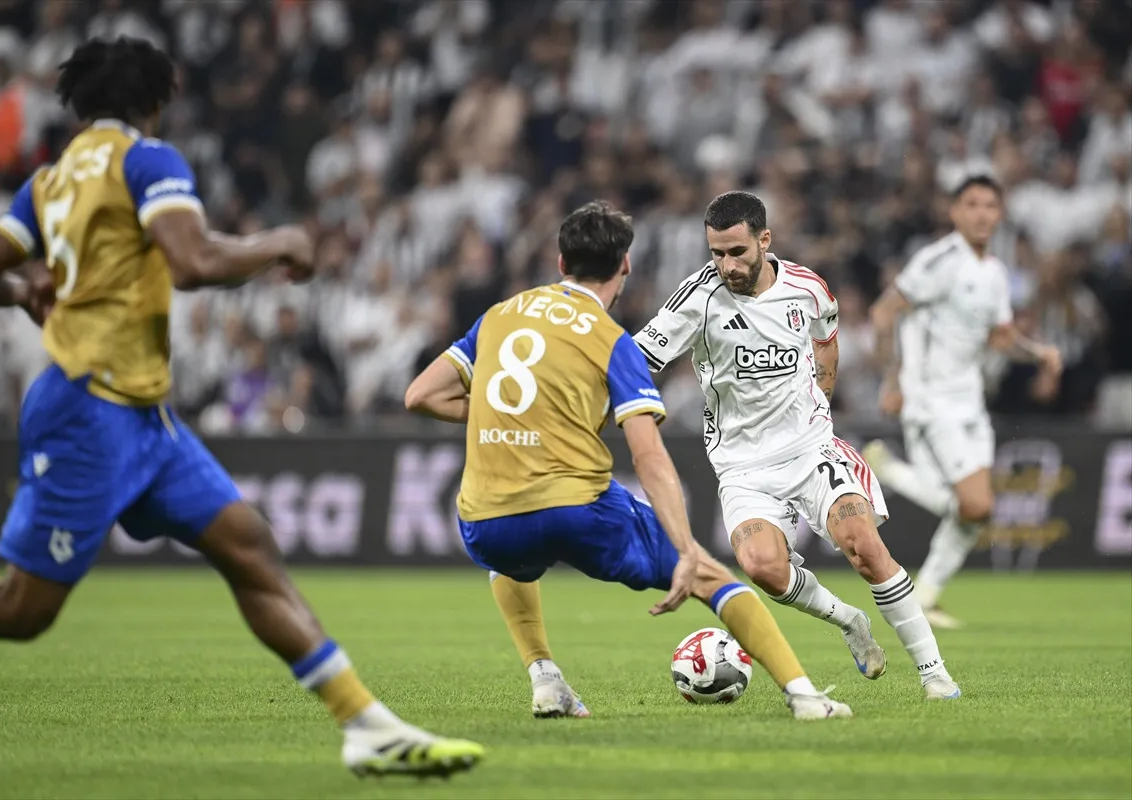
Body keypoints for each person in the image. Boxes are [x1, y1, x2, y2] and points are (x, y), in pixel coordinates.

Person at [0, 37, 483, 778]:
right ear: (154, 102)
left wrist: (22, 288)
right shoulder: (147, 160)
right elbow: (193, 263)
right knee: (19, 611)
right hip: (87, 411)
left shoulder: (50, 182)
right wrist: (280, 241)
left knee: (247, 544)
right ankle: (365, 725)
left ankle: (366, 726)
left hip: (143, 415)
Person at [405, 201, 851, 721]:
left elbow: (420, 396)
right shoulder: (609, 339)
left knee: (511, 561)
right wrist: (684, 547)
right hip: (577, 509)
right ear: (625, 266)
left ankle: (545, 678)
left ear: (560, 261)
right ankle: (805, 697)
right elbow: (648, 455)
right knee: (712, 577)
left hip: (485, 522)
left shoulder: (498, 316)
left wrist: (502, 413)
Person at [633, 191, 960, 701]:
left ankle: (934, 673)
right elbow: (636, 359)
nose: (726, 265)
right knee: (762, 567)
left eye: (737, 252)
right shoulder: (697, 298)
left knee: (864, 546)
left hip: (811, 450)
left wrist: (820, 403)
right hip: (742, 465)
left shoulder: (808, 288)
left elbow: (826, 341)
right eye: (716, 253)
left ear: (764, 240)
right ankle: (849, 621)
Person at [865, 175, 1062, 629]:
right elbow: (884, 311)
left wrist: (1038, 354)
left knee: (976, 512)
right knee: (976, 506)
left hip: (970, 401)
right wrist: (892, 380)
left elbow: (1001, 337)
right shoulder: (939, 260)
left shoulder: (994, 273)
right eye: (971, 204)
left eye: (990, 205)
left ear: (1000, 214)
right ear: (954, 212)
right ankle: (887, 469)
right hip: (931, 399)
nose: (981, 214)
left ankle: (925, 596)